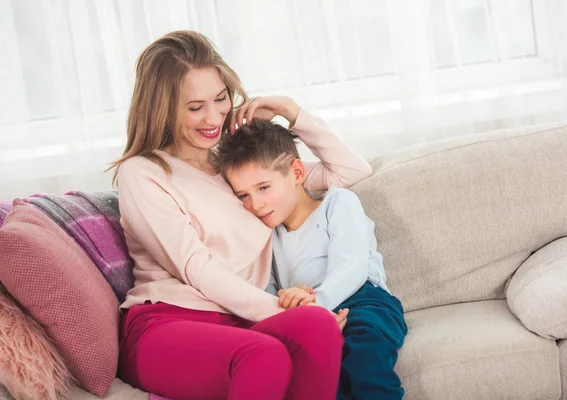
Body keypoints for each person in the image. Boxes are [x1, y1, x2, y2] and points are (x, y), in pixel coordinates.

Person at [108, 30, 373, 400]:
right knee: (268, 352)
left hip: (241, 323)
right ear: (162, 108)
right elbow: (195, 267)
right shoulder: (144, 172)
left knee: (316, 327)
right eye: (194, 106)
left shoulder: (239, 167)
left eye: (220, 99)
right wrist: (281, 313)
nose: (213, 117)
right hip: (167, 324)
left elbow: (350, 172)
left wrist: (290, 112)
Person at [214, 119, 408, 400]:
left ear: (296, 172)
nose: (255, 204)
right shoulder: (266, 236)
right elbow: (266, 289)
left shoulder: (338, 203)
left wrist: (318, 304)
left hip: (362, 302)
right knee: (325, 379)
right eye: (243, 195)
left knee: (365, 361)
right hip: (306, 316)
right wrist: (299, 315)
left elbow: (351, 268)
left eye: (264, 187)